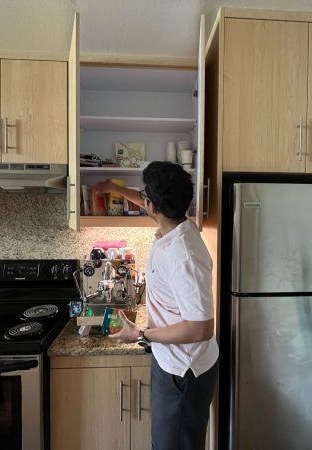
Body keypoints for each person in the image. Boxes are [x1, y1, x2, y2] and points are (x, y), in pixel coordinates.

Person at [92, 161, 219, 450]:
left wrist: (139, 334)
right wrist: (113, 188)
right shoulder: (179, 225)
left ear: (154, 206)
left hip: (184, 369)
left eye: (144, 196)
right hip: (173, 360)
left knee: (172, 445)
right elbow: (149, 201)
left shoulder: (183, 256)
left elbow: (200, 328)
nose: (142, 199)